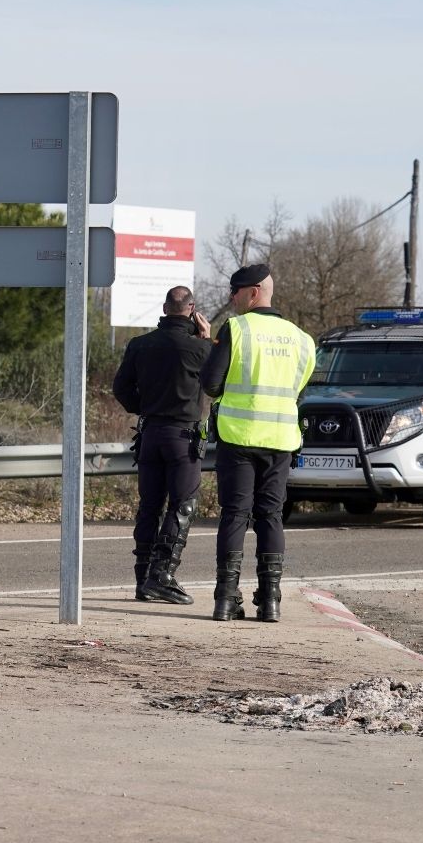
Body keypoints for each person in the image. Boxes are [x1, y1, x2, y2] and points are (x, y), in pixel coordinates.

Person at [200, 264, 315, 623]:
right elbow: (298, 388)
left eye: (235, 292)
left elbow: (211, 384)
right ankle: (270, 601)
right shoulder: (302, 338)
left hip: (238, 438)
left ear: (252, 292)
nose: (231, 299)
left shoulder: (237, 329)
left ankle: (225, 601)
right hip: (281, 440)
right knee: (270, 517)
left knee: (235, 515)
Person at [112, 285, 211, 604]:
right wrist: (206, 339)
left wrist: (146, 407)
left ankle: (143, 577)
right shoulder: (199, 349)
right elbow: (216, 381)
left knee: (150, 507)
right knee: (183, 504)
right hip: (182, 437)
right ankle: (162, 576)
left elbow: (121, 388)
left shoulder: (140, 344)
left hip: (150, 434)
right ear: (192, 310)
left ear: (165, 309)